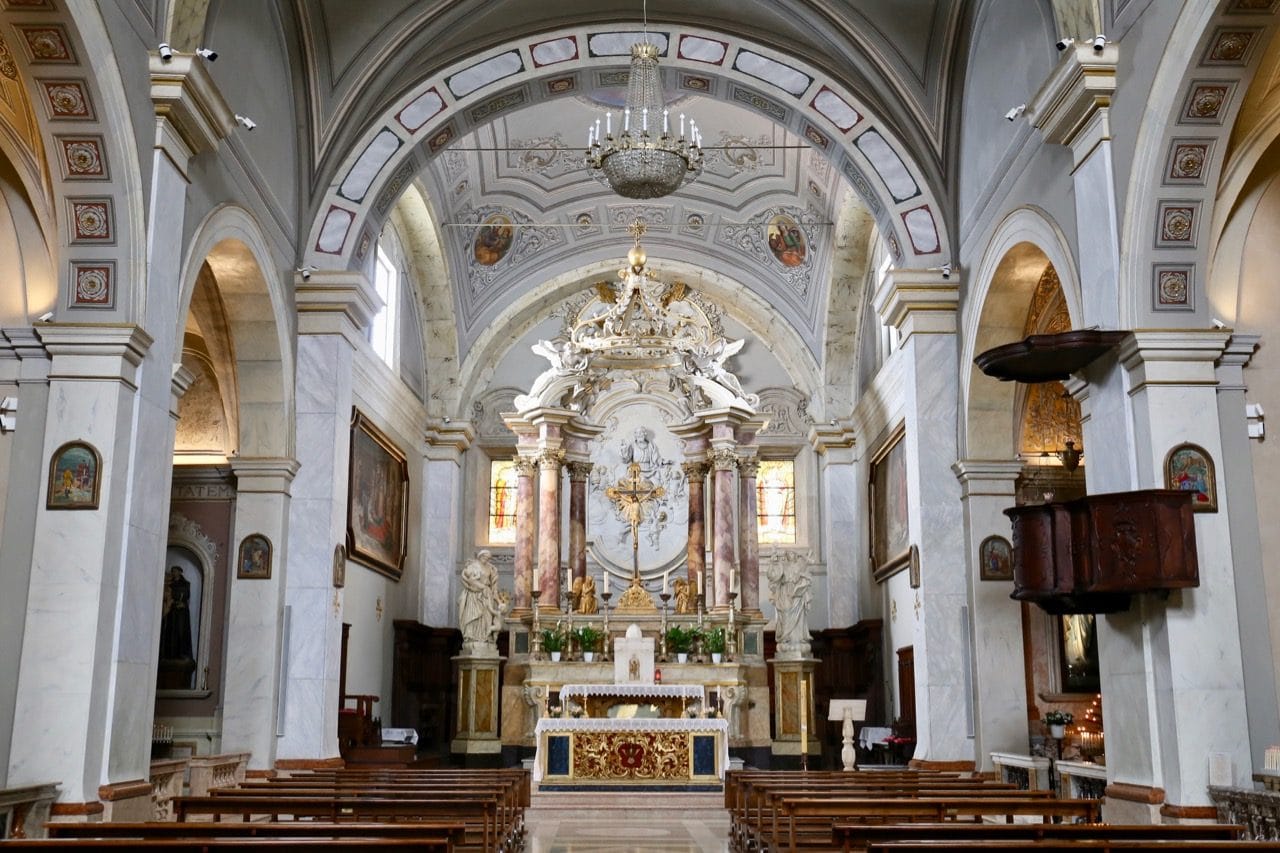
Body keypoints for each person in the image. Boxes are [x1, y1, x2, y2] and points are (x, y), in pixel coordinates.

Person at [459, 550, 505, 648]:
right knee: (473, 616)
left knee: (487, 618)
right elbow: (469, 581)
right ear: (480, 556)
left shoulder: (491, 569)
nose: (486, 559)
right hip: (473, 595)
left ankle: (485, 638)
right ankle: (472, 638)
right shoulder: (472, 566)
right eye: (485, 557)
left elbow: (494, 590)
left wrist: (500, 602)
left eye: (488, 558)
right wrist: (479, 587)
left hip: (486, 596)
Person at [159, 566, 194, 662]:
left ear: (180, 572)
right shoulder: (170, 584)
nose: (174, 573)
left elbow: (186, 596)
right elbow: (167, 596)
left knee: (181, 632)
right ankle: (169, 654)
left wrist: (181, 602)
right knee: (170, 631)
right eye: (172, 571)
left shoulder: (186, 584)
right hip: (172, 611)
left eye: (175, 571)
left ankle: (182, 653)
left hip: (181, 612)